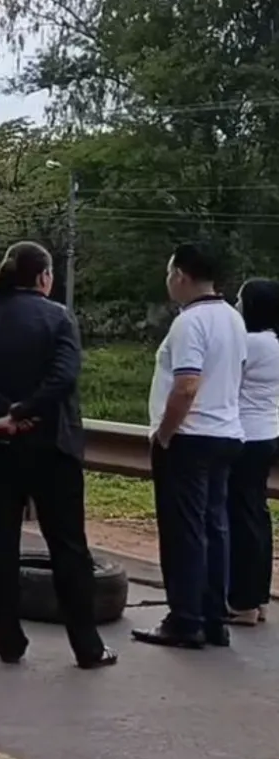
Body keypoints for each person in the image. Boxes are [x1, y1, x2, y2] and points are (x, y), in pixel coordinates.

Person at [0, 242, 115, 669]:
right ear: (44, 277)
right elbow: (63, 378)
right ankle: (86, 646)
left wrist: (2, 413)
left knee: (0, 545)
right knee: (68, 547)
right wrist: (23, 411)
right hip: (52, 447)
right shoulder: (58, 317)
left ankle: (9, 639)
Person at [135, 243, 247, 650]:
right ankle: (214, 617)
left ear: (180, 275)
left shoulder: (189, 323)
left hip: (190, 437)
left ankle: (184, 620)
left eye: (169, 275)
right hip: (227, 434)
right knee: (215, 528)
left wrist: (165, 434)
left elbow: (186, 386)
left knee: (183, 532)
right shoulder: (234, 318)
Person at [227, 278, 279, 626]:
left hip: (242, 436)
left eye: (240, 300)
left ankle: (242, 602)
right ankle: (258, 598)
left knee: (238, 518)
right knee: (256, 514)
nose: (235, 305)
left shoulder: (247, 344)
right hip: (269, 434)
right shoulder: (275, 342)